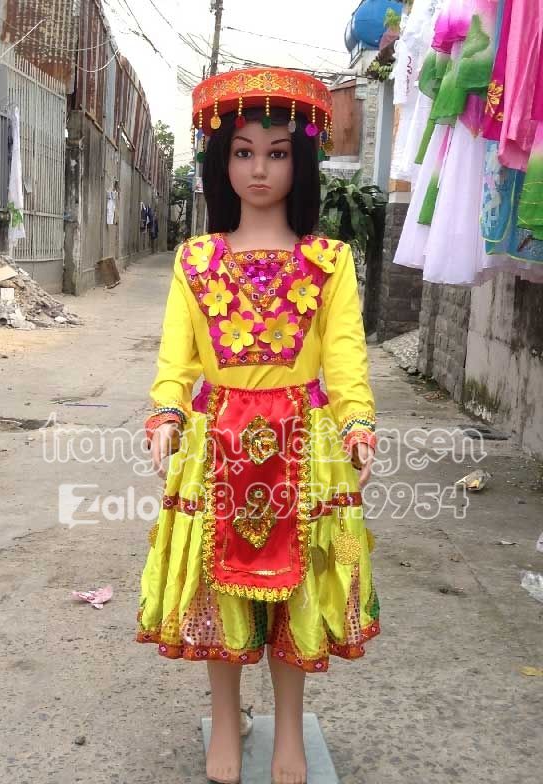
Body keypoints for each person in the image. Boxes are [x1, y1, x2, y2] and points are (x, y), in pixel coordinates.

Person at [135, 67, 380, 784]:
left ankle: (289, 732)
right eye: (243, 152)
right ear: (222, 160)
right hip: (216, 444)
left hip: (305, 447)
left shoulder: (329, 262)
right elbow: (176, 358)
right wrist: (167, 411)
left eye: (277, 152)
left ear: (301, 161)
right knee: (218, 590)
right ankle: (224, 721)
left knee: (300, 590)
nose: (260, 169)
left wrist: (357, 422)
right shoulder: (196, 260)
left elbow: (345, 357)